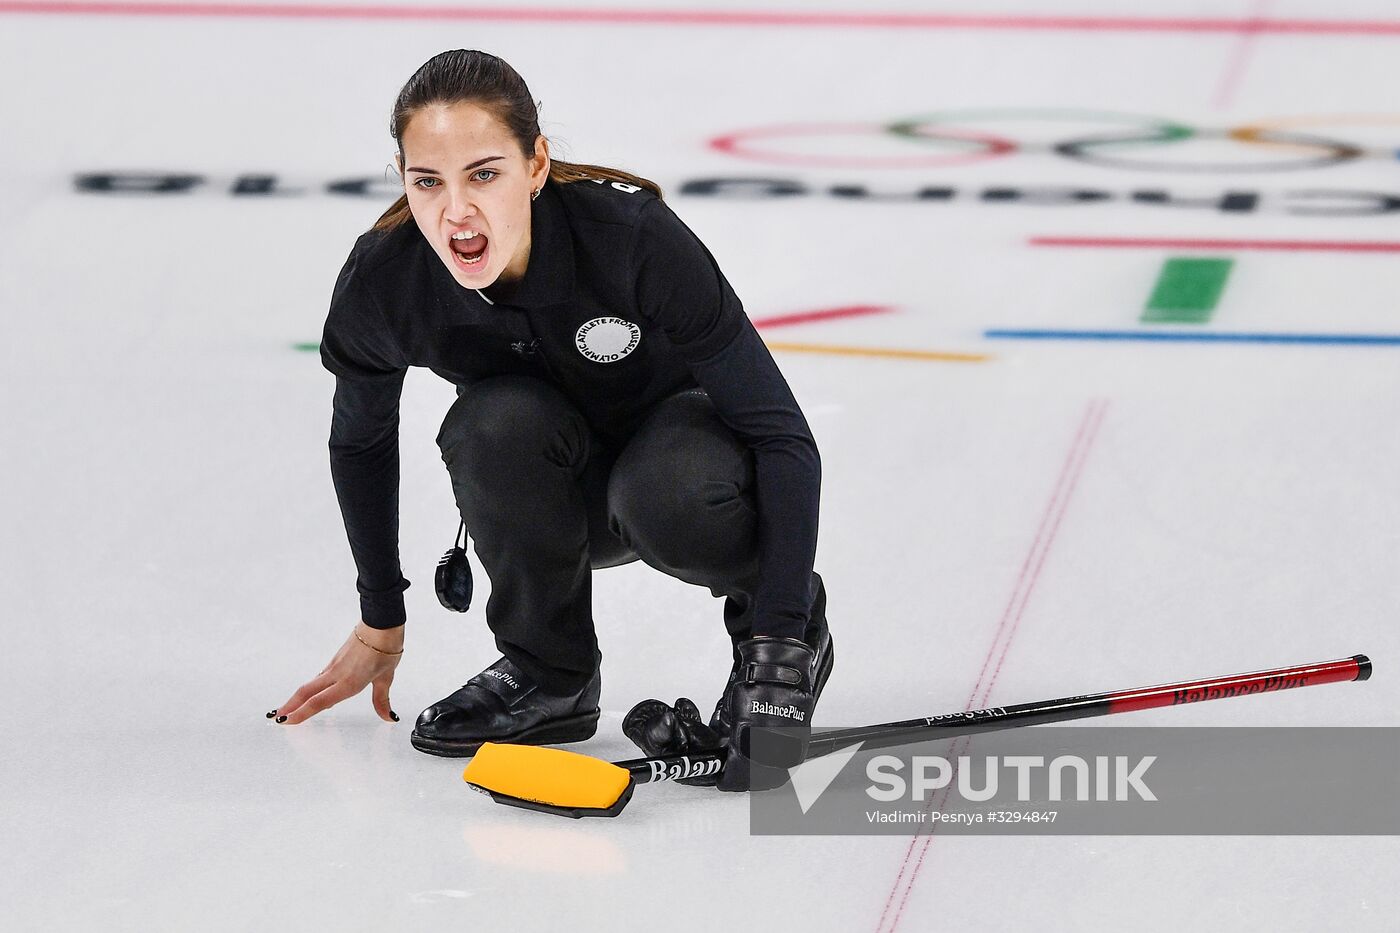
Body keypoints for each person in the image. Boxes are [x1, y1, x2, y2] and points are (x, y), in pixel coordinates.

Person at [268, 49, 833, 791]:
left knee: (665, 488)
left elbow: (782, 437)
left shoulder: (630, 237)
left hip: (685, 475)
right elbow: (360, 440)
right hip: (563, 491)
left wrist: (781, 648)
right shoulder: (386, 280)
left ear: (535, 166)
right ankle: (549, 673)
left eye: (484, 173)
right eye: (427, 181)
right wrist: (381, 619)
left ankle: (779, 633)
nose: (455, 211)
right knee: (489, 424)